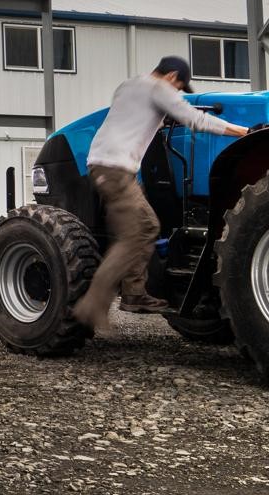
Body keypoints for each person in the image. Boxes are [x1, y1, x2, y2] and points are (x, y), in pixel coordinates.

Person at [74, 56, 247, 328]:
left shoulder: (130, 85)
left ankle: (134, 293)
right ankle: (94, 304)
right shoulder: (159, 89)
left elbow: (134, 118)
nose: (177, 92)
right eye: (179, 86)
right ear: (171, 76)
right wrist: (243, 132)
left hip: (109, 167)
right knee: (139, 231)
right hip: (115, 169)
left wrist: (160, 120)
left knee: (142, 227)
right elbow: (195, 119)